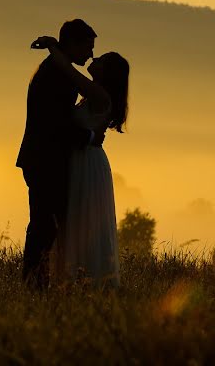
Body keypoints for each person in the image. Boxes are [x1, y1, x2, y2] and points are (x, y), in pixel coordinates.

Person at [34, 36, 130, 288]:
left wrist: (54, 47)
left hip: (88, 162)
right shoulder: (93, 94)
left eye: (101, 60)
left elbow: (68, 72)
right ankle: (74, 277)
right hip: (82, 158)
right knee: (77, 217)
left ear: (107, 72)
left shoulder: (98, 94)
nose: (94, 59)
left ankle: (87, 279)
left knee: (84, 217)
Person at [17, 19, 98, 290]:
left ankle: (38, 281)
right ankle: (34, 283)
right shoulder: (58, 76)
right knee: (44, 224)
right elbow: (56, 122)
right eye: (88, 46)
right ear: (73, 44)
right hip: (45, 159)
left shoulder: (55, 69)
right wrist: (88, 137)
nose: (91, 55)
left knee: (45, 223)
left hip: (42, 157)